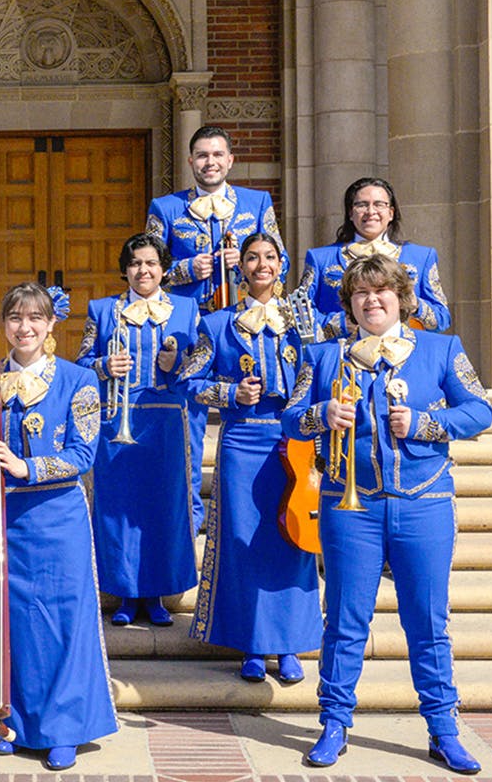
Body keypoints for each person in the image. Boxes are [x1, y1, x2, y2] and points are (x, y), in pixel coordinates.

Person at [281, 254, 492, 774]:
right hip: (350, 508)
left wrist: (423, 424)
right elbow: (289, 415)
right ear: (349, 304)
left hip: (424, 503)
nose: (371, 301)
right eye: (360, 294)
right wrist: (319, 414)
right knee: (345, 622)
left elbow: (479, 409)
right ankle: (334, 723)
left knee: (428, 623)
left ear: (400, 297)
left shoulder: (441, 349)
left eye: (381, 292)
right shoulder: (325, 355)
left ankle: (443, 729)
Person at [176, 233, 322, 683]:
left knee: (293, 539)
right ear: (241, 267)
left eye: (270, 257)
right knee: (245, 543)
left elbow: (324, 370)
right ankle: (252, 646)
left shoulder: (305, 320)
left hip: (293, 440)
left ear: (282, 265)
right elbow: (187, 380)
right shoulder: (216, 324)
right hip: (242, 441)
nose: (262, 264)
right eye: (253, 257)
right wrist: (229, 393)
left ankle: (291, 644)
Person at [0, 283, 117, 772]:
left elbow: (84, 455)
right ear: (4, 325)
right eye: (16, 318)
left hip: (58, 517)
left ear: (50, 325)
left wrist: (26, 467)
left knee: (63, 620)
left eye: (35, 318)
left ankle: (66, 728)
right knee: (15, 622)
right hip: (5, 520)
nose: (25, 327)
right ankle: (12, 720)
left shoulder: (80, 380)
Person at [146, 126, 283, 532]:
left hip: (244, 327)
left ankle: (253, 511)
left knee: (255, 413)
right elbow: (149, 267)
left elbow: (283, 260)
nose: (210, 162)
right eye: (202, 155)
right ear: (191, 162)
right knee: (189, 420)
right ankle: (191, 514)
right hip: (191, 326)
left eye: (217, 155)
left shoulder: (257, 203)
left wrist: (247, 263)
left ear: (230, 160)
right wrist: (187, 269)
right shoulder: (165, 207)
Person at [75, 233, 199, 627]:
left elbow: (201, 366)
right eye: (135, 264)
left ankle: (158, 594)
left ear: (164, 268)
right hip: (117, 421)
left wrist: (174, 365)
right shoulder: (103, 309)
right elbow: (81, 363)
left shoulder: (187, 307)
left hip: (166, 421)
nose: (143, 271)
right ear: (124, 269)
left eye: (150, 263)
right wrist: (103, 368)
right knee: (121, 509)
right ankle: (126, 593)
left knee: (163, 508)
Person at [299, 177, 451, 339]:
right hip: (342, 355)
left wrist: (415, 304)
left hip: (406, 354)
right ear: (350, 213)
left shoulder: (420, 257)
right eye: (362, 205)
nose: (371, 211)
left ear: (391, 213)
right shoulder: (320, 258)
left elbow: (442, 319)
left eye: (379, 204)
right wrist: (342, 323)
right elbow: (301, 313)